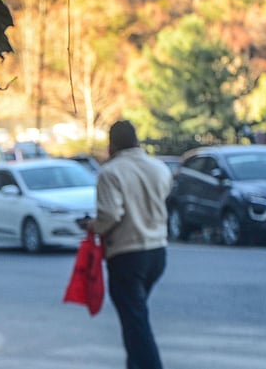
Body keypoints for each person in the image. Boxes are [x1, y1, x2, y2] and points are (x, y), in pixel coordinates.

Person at [77, 120, 173, 369]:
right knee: (135, 319)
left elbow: (110, 215)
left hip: (127, 254)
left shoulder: (111, 173)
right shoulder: (159, 168)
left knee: (136, 324)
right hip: (157, 253)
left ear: (112, 143)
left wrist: (91, 226)